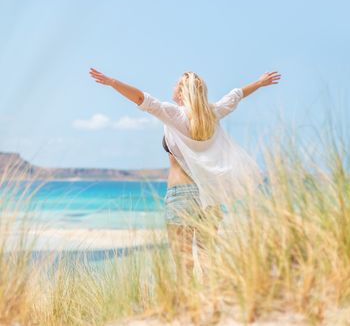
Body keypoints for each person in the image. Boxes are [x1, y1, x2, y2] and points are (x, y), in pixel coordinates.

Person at [89, 68, 281, 287]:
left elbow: (142, 98)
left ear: (182, 92)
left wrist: (113, 82)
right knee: (207, 256)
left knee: (183, 264)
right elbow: (236, 94)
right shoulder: (213, 113)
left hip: (181, 196)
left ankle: (186, 313)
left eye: (176, 84)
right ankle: (211, 308)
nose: (172, 87)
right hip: (210, 197)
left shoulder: (174, 114)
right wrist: (259, 82)